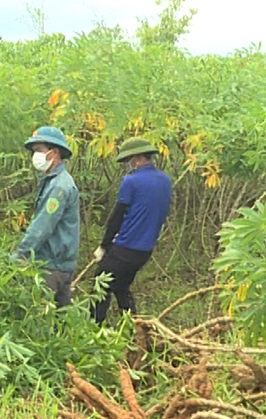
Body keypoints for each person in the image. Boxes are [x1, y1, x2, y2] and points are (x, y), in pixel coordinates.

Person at [92, 137, 172, 323]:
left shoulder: (131, 181)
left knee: (100, 284)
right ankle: (133, 329)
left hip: (126, 246)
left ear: (136, 158)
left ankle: (92, 330)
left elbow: (117, 216)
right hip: (145, 249)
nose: (128, 165)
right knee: (121, 286)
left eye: (129, 160)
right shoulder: (165, 180)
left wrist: (104, 246)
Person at [10, 126, 80, 307]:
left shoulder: (59, 186)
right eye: (34, 152)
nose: (36, 156)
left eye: (39, 150)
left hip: (51, 265)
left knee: (38, 316)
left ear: (54, 152)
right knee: (61, 321)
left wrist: (20, 255)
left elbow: (42, 226)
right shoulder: (52, 181)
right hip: (60, 264)